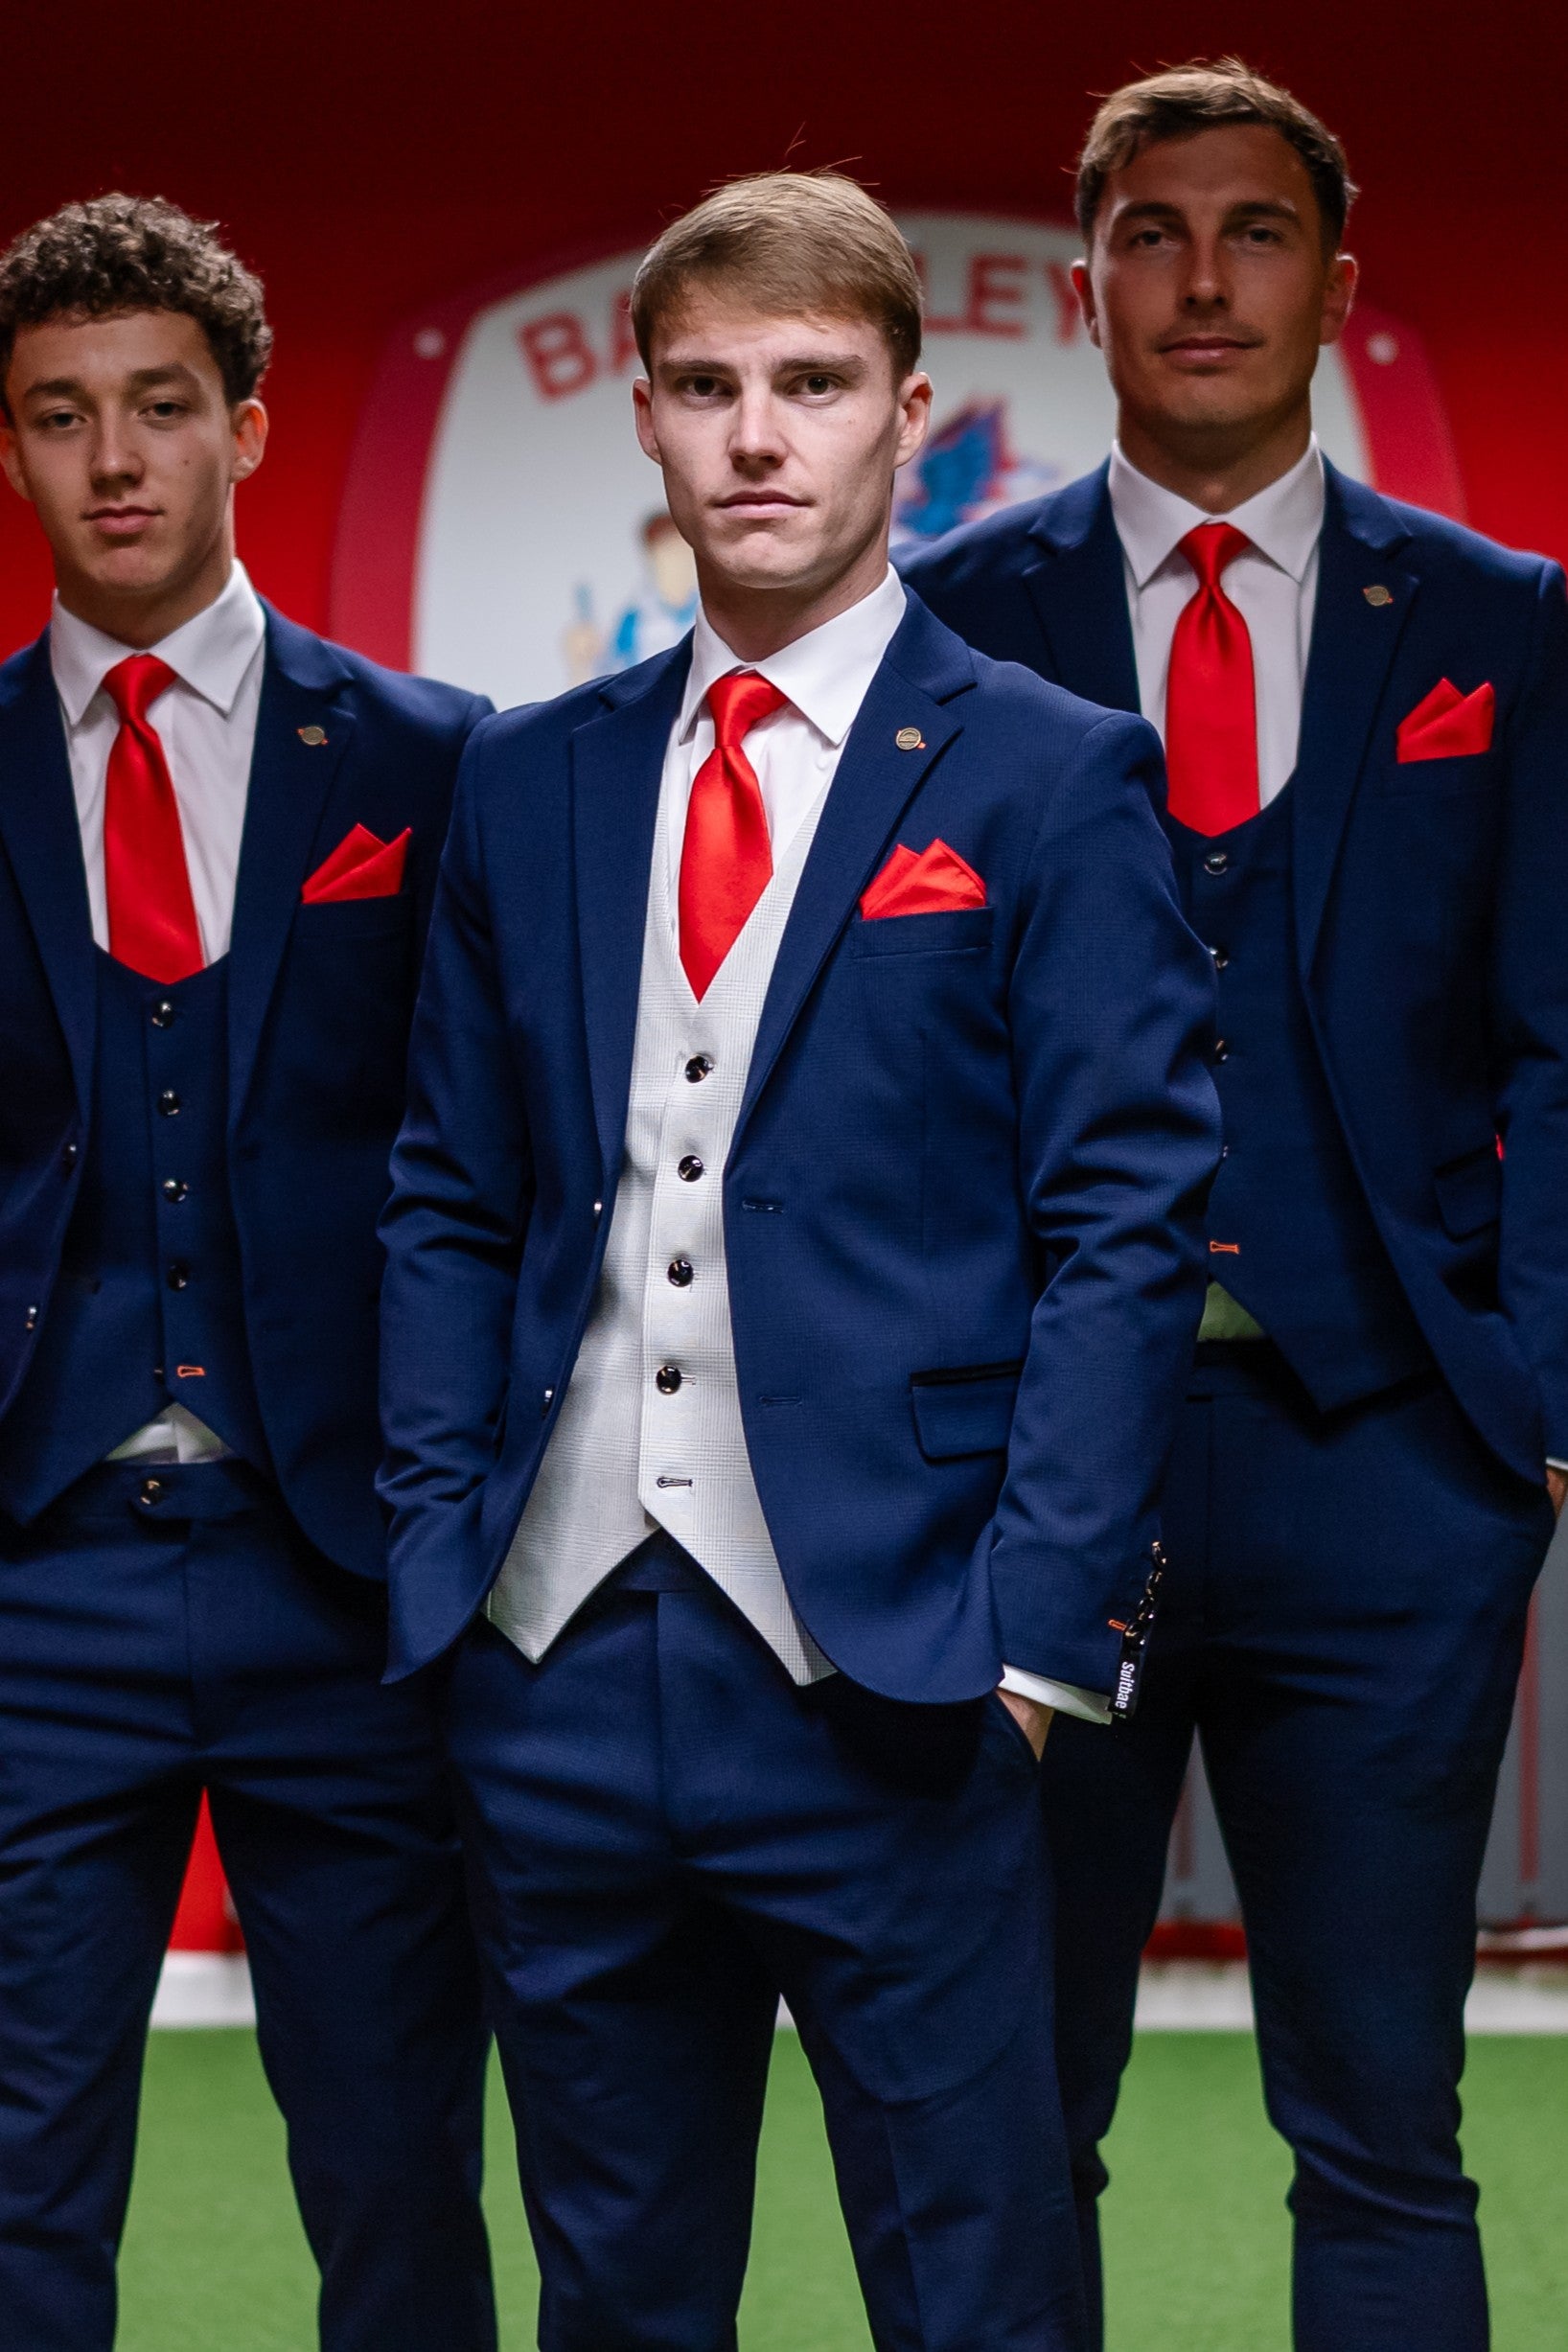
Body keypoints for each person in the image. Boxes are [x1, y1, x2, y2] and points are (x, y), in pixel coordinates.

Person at [377, 170, 1220, 2352]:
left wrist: (1038, 1645)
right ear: (646, 427)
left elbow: (1125, 1225)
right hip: (554, 1661)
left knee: (974, 2289)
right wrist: (436, 1564)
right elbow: (453, 1195)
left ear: (908, 416)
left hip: (905, 1677)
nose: (758, 434)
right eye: (710, 387)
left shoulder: (1053, 777)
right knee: (615, 2293)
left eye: (813, 386)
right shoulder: (526, 779)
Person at [903, 59, 1568, 2352]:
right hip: (1026, 1481)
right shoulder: (938, 629)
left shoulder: (1501, 625)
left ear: (1334, 287)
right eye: (1153, 234)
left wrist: (1536, 1405)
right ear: (1083, 284)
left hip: (1390, 1471)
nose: (1202, 280)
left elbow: (1562, 1038)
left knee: (1381, 2122)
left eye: (1252, 231)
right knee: (1009, 2112)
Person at [0, 196, 496, 2351]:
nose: (113, 458)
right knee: (13, 2188)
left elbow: (505, 1158)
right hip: (35, 1581)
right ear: (14, 452)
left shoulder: (430, 762)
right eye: (57, 417)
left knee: (398, 2180)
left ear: (249, 430)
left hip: (346, 1577)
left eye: (159, 409)